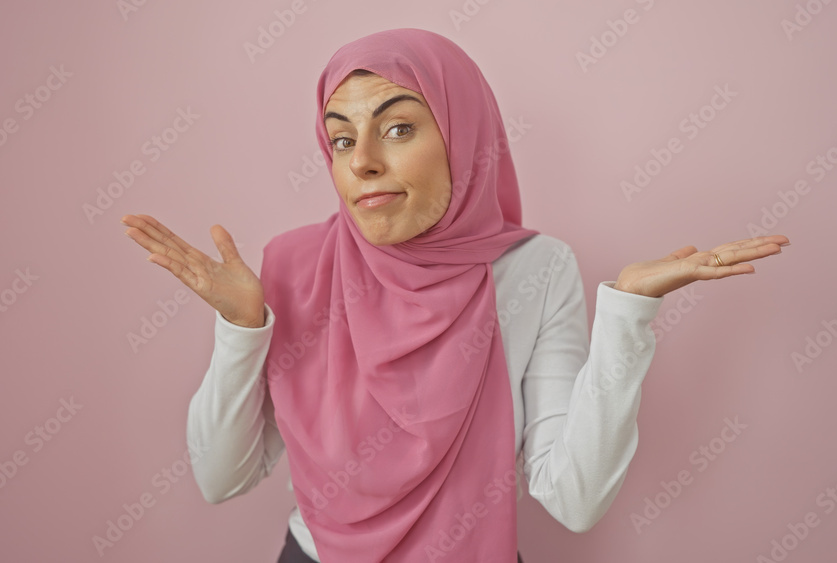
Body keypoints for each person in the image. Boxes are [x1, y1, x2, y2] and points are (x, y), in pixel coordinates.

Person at [122, 28, 789, 563]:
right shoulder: (294, 266)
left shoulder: (534, 268)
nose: (362, 163)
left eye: (400, 128)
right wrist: (244, 328)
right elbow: (221, 478)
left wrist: (628, 315)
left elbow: (575, 498)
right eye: (342, 138)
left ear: (463, 136)